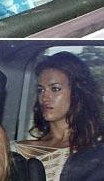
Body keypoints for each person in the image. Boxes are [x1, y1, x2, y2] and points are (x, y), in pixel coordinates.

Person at [15, 51, 104, 181]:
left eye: (55, 89)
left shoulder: (97, 153)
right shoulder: (16, 150)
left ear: (77, 92)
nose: (44, 97)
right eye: (40, 90)